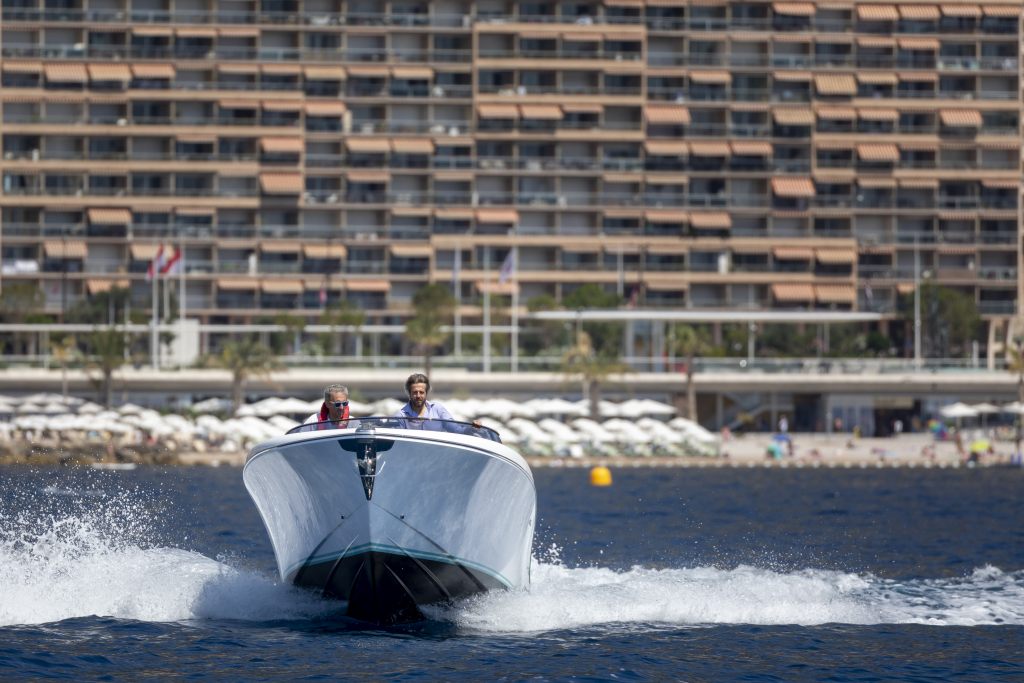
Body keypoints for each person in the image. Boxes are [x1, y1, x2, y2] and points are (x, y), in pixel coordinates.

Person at [392, 373, 481, 433]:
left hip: (437, 459)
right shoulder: (401, 416)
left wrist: (472, 428)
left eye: (421, 392)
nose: (418, 395)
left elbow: (457, 430)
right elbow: (395, 442)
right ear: (409, 393)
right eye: (415, 392)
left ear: (426, 393)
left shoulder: (438, 409)